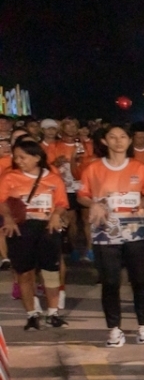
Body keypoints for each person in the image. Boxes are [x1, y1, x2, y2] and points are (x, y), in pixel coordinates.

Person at [80, 125, 144, 346]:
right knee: (110, 281)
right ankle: (114, 329)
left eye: (123, 137)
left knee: (140, 280)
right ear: (104, 141)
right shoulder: (93, 168)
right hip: (106, 230)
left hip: (136, 230)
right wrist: (93, 203)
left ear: (130, 140)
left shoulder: (139, 168)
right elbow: (82, 195)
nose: (118, 141)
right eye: (112, 137)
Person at [2, 139, 69, 329]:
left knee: (50, 272)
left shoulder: (54, 179)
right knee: (24, 273)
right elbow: (2, 201)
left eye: (22, 157)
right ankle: (31, 314)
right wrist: (7, 218)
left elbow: (62, 203)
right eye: (16, 157)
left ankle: (53, 313)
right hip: (21, 229)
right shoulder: (9, 177)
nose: (18, 161)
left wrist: (56, 215)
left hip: (47, 229)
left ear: (37, 158)